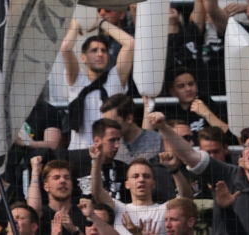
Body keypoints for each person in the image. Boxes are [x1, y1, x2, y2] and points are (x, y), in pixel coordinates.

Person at [151, 113, 249, 235]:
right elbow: (190, 156)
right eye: (247, 146)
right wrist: (163, 127)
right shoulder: (226, 174)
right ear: (242, 154)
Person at [61, 17, 136, 149]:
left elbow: (130, 43)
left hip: (113, 152)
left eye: (104, 50)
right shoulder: (77, 79)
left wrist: (101, 23)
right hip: (81, 153)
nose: (100, 54)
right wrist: (75, 26)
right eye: (94, 51)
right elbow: (66, 47)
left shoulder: (115, 78)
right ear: (83, 57)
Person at [27, 159, 87, 232]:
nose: (62, 181)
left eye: (67, 177)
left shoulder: (83, 212)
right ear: (46, 187)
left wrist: (74, 230)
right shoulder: (41, 213)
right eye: (56, 178)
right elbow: (33, 209)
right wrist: (35, 172)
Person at [101, 94, 163, 165]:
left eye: (112, 122)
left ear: (129, 118)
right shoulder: (108, 146)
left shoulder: (158, 141)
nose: (108, 127)